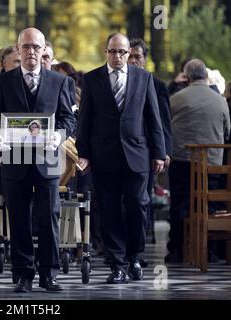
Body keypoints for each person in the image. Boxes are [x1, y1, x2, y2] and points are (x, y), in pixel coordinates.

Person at [0, 27, 75, 293]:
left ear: (43, 50)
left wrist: (58, 136)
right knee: (19, 219)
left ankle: (49, 273)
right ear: (18, 49)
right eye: (26, 47)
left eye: (36, 47)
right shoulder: (3, 81)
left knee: (49, 217)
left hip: (47, 160)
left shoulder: (59, 81)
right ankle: (23, 273)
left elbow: (68, 119)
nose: (31, 52)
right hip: (15, 161)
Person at [76, 33, 166, 284]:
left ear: (129, 54)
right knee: (109, 210)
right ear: (106, 52)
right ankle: (117, 265)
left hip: (138, 155)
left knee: (138, 205)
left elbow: (153, 118)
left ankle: (135, 256)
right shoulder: (92, 79)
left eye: (122, 52)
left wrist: (159, 152)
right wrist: (84, 154)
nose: (117, 56)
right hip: (103, 156)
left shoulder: (144, 78)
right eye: (113, 52)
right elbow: (84, 120)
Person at [164, 59, 230, 263]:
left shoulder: (176, 98)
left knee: (179, 205)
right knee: (208, 206)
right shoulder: (220, 100)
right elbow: (227, 132)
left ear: (187, 76)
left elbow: (164, 127)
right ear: (205, 75)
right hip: (213, 164)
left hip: (182, 161)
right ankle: (209, 251)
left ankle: (177, 250)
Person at [128, 38, 172, 247]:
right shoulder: (114, 82)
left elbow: (162, 122)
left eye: (137, 56)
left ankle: (138, 247)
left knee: (142, 200)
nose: (133, 60)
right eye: (130, 56)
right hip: (120, 150)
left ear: (144, 60)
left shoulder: (156, 85)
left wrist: (163, 152)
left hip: (144, 152)